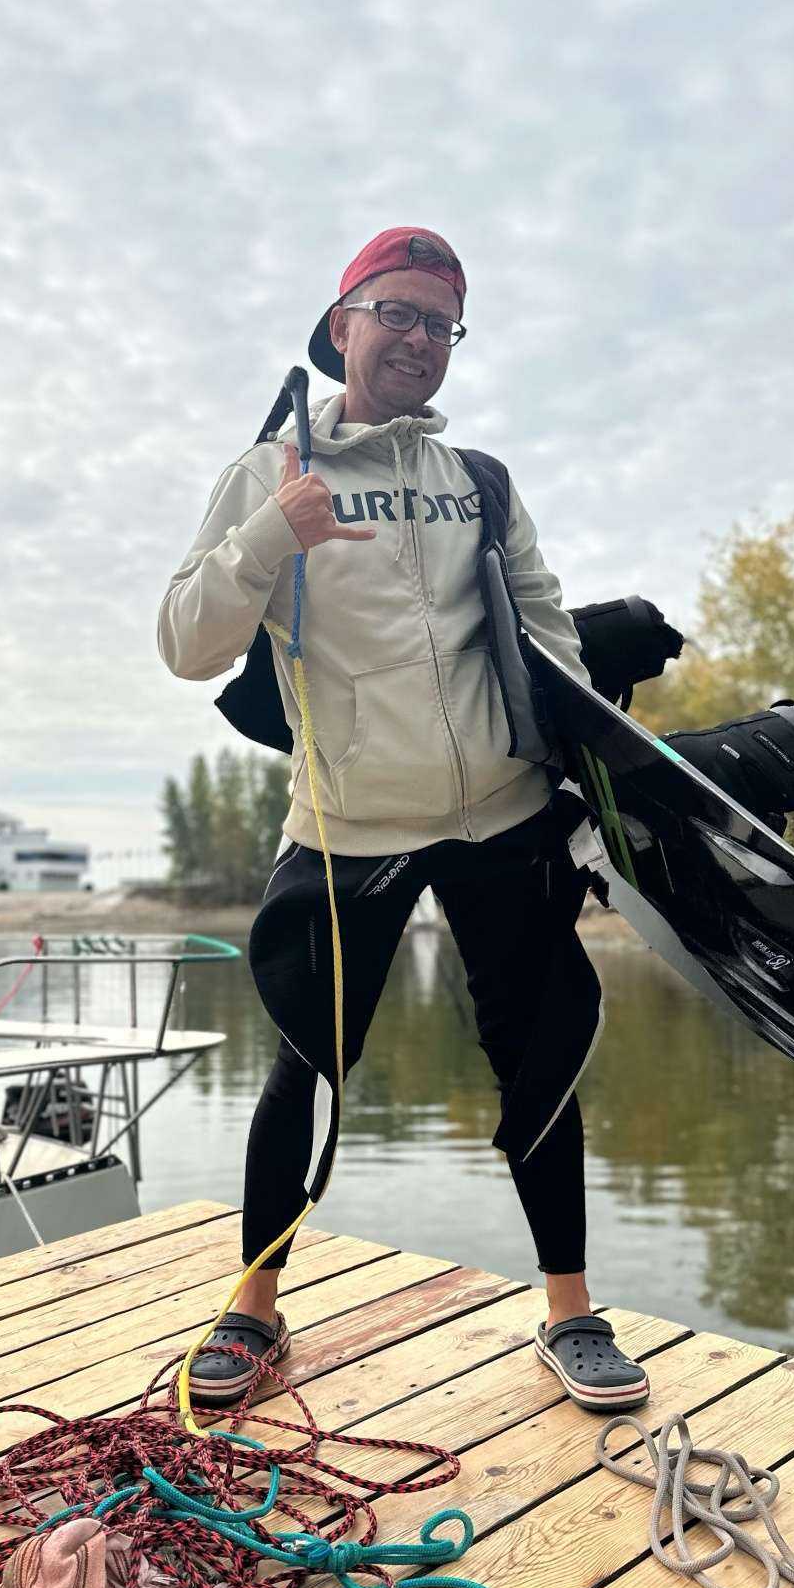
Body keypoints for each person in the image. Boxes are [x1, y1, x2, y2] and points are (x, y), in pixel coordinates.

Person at [156, 227, 648, 1417]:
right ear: (344, 327)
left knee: (540, 1060)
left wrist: (593, 771)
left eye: (441, 322)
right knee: (305, 1063)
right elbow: (184, 643)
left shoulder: (481, 482)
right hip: (349, 822)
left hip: (503, 815)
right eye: (398, 314)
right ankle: (254, 1310)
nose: (420, 339)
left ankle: (571, 1314)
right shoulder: (269, 470)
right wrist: (273, 534)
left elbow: (546, 631)